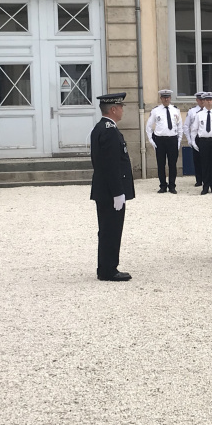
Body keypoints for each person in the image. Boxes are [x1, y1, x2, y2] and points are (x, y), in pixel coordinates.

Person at [90, 93, 135, 281]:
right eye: (121, 106)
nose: (123, 110)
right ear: (113, 109)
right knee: (111, 230)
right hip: (110, 192)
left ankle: (106, 267)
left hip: (105, 190)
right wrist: (118, 192)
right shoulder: (108, 130)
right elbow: (111, 165)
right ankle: (109, 270)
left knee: (108, 229)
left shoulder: (102, 128)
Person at [146, 89, 182, 194]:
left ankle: (172, 186)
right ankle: (162, 185)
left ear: (170, 98)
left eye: (168, 97)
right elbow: (148, 126)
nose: (166, 99)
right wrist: (151, 140)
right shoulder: (155, 111)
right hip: (160, 140)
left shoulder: (176, 110)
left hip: (172, 139)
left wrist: (179, 140)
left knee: (172, 164)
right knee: (161, 164)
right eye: (164, 97)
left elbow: (179, 126)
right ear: (161, 99)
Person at [190, 91, 212, 195]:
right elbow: (194, 129)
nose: (209, 102)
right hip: (204, 141)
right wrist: (193, 142)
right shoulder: (199, 115)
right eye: (207, 100)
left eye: (210, 100)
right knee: (205, 165)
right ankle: (205, 186)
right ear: (204, 102)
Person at [183, 91, 205, 186]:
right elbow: (186, 126)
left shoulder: (209, 111)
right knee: (197, 160)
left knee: (208, 160)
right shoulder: (192, 111)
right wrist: (189, 139)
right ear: (197, 100)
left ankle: (208, 179)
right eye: (200, 100)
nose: (202, 101)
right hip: (196, 137)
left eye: (203, 99)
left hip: (205, 136)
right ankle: (199, 180)